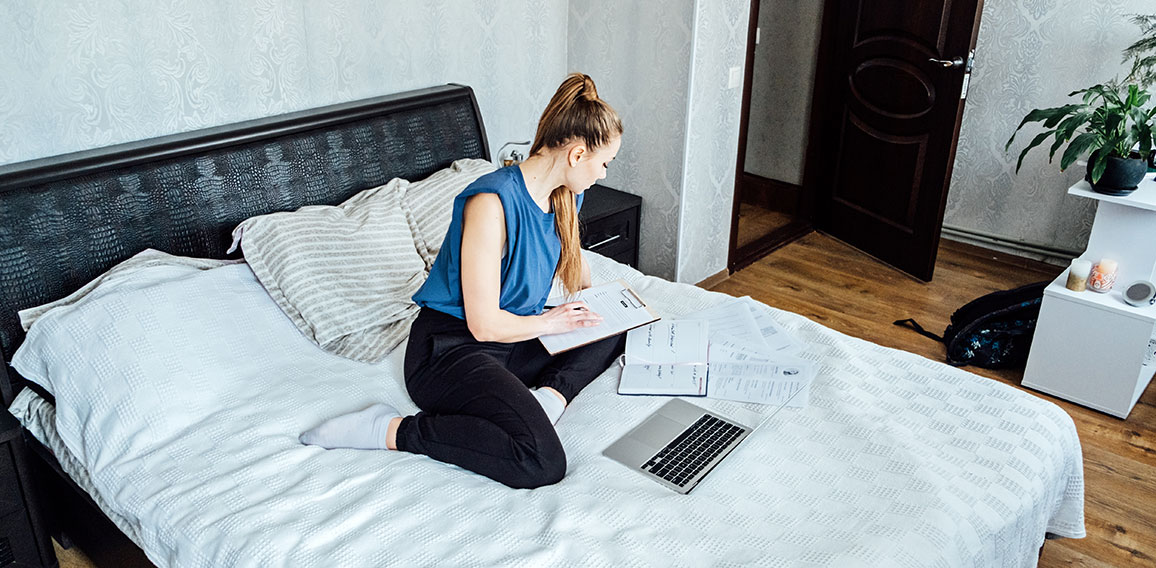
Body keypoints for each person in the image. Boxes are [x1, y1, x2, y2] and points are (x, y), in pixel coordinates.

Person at [300, 73, 626, 489]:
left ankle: (548, 398)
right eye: (604, 164)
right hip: (451, 350)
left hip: (514, 335)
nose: (603, 174)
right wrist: (552, 322)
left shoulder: (567, 191)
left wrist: (595, 309)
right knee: (541, 462)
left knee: (609, 328)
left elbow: (577, 272)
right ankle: (392, 430)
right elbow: (483, 325)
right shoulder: (491, 202)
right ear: (578, 154)